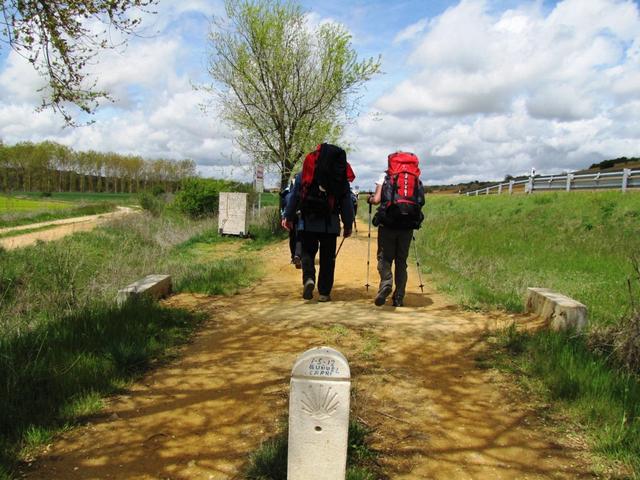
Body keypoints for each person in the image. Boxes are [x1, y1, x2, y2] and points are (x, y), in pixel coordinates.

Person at [282, 144, 354, 302]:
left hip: (308, 221)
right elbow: (346, 201)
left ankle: (309, 279)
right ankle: (324, 292)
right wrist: (348, 224)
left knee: (307, 253)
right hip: (331, 223)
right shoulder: (339, 177)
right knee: (328, 258)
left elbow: (294, 196)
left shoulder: (305, 173)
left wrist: (288, 216)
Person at [367, 151, 425, 307]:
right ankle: (399, 297)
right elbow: (420, 201)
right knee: (401, 261)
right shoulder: (415, 177)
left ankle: (386, 282)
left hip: (388, 223)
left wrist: (370, 199)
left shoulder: (385, 176)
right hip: (407, 226)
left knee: (384, 258)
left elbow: (377, 200)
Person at [280, 175, 301, 267]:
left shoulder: (286, 191)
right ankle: (297, 255)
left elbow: (283, 205)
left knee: (292, 236)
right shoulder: (303, 186)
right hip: (300, 214)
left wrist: (284, 217)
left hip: (290, 215)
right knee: (300, 235)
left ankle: (294, 256)